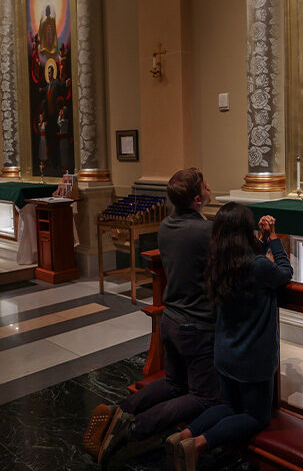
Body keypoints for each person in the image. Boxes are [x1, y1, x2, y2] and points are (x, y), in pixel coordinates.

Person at [84, 168, 220, 469]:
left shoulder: (166, 225)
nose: (210, 186)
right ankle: (132, 428)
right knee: (204, 396)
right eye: (205, 185)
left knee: (174, 384)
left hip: (170, 319)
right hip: (196, 325)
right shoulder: (205, 231)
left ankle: (120, 409)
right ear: (198, 199)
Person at [165, 203, 293, 471]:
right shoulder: (258, 267)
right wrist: (274, 241)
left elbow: (249, 261)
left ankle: (183, 435)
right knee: (257, 417)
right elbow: (283, 273)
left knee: (230, 406)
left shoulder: (218, 263)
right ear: (245, 233)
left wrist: (262, 240)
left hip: (225, 351)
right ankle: (199, 443)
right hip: (252, 358)